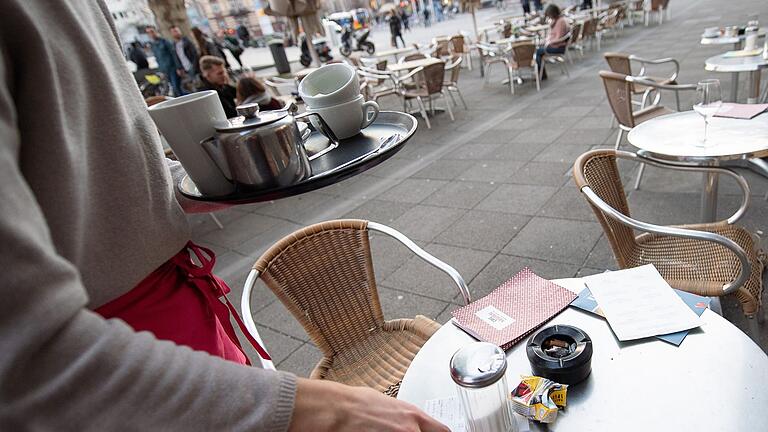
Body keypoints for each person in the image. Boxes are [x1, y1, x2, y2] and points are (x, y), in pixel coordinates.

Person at [0, 2, 450, 431]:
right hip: (117, 364)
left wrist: (179, 187)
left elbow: (80, 160)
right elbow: (22, 357)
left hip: (182, 332)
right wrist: (310, 410)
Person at [146, 25, 184, 96]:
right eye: (148, 33)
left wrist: (179, 67)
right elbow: (158, 59)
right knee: (174, 90)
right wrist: (161, 71)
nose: (151, 34)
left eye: (152, 32)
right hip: (164, 71)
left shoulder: (165, 42)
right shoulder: (153, 45)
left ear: (156, 31)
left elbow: (174, 55)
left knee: (177, 89)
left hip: (173, 69)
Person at [535, 4, 570, 80]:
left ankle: (541, 74)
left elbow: (558, 37)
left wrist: (548, 42)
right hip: (556, 45)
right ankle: (541, 73)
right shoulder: (557, 21)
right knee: (538, 50)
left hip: (558, 47)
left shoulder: (560, 22)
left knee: (538, 52)